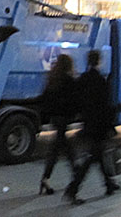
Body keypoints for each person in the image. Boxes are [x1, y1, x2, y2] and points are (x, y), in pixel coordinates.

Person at [63, 50, 121, 205]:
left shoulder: (83, 79)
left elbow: (77, 100)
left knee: (97, 155)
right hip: (99, 125)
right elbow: (106, 105)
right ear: (98, 62)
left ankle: (109, 184)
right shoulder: (101, 80)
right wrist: (110, 126)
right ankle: (73, 189)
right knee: (92, 158)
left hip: (88, 123)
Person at [39, 54, 79, 196]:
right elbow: (75, 100)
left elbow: (44, 98)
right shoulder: (69, 81)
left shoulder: (52, 79)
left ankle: (48, 179)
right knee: (62, 149)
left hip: (55, 118)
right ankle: (76, 176)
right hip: (64, 118)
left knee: (61, 147)